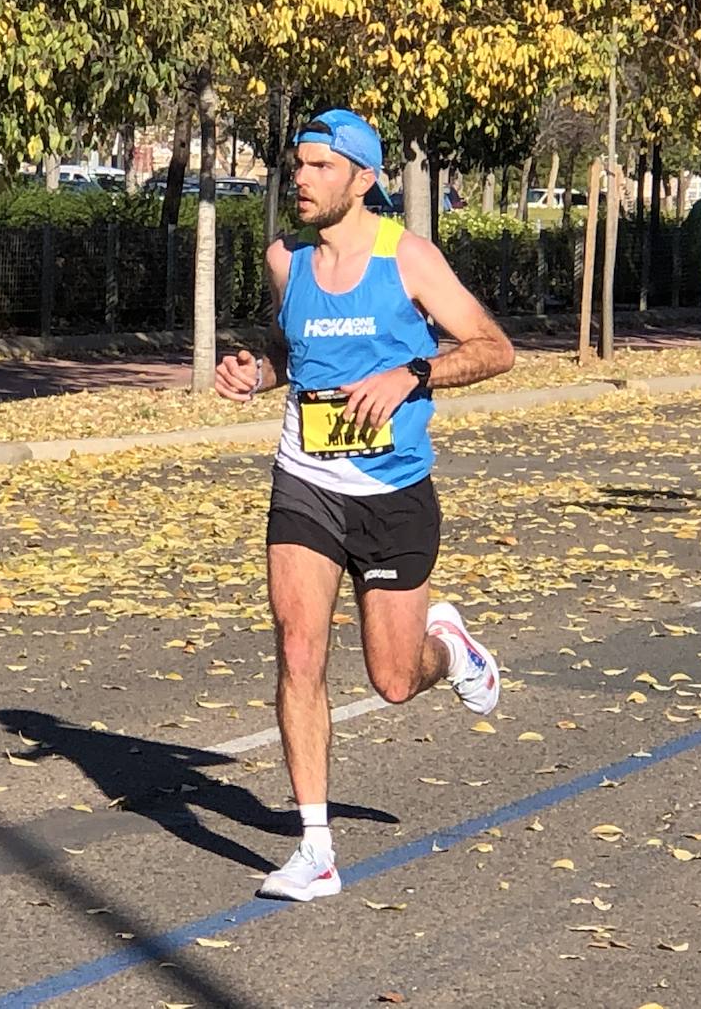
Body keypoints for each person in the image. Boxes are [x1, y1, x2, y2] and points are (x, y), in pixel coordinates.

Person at [214, 109, 515, 902]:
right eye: (297, 165)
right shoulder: (289, 261)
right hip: (306, 479)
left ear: (363, 178)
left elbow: (493, 348)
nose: (301, 179)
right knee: (298, 645)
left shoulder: (408, 257)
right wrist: (257, 371)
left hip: (394, 493)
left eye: (318, 166)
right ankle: (315, 849)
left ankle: (449, 648)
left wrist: (411, 374)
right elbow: (295, 352)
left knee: (390, 676)